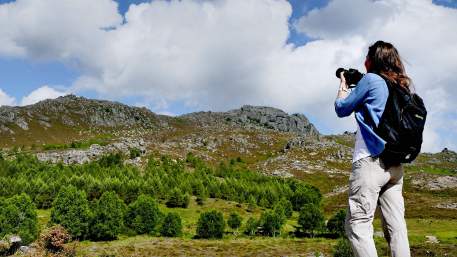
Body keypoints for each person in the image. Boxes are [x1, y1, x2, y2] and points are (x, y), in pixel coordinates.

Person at [334, 40, 412, 257]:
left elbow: (341, 109)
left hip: (370, 161)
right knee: (396, 228)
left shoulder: (371, 80)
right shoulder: (401, 85)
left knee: (357, 224)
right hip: (395, 166)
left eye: (367, 57)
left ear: (372, 60)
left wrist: (343, 85)